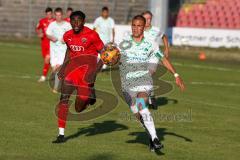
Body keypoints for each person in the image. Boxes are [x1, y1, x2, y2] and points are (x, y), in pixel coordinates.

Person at [117, 15, 185, 152]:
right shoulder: (123, 43)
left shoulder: (150, 44)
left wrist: (176, 74)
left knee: (142, 106)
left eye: (139, 26)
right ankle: (150, 135)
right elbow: (111, 56)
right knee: (138, 115)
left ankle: (155, 139)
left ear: (144, 27)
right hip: (127, 85)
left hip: (144, 81)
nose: (136, 28)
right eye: (133, 25)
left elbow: (163, 59)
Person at [52, 11, 104, 143]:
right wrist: (63, 67)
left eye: (79, 20)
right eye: (73, 20)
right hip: (72, 71)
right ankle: (61, 134)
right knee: (63, 99)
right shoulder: (67, 35)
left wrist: (95, 72)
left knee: (78, 108)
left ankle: (90, 96)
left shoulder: (92, 35)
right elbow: (69, 50)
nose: (76, 23)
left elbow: (104, 55)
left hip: (87, 74)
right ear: (69, 21)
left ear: (84, 21)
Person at [142, 10, 170, 109]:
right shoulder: (139, 30)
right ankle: (151, 96)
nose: (148, 21)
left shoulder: (156, 30)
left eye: (150, 19)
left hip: (155, 56)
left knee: (148, 75)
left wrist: (166, 49)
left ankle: (148, 100)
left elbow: (164, 37)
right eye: (146, 19)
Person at [46, 7, 71, 93]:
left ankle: (56, 88)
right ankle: (59, 85)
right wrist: (51, 37)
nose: (58, 17)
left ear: (62, 15)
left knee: (59, 69)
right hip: (54, 51)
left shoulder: (67, 25)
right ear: (54, 15)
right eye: (56, 15)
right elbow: (48, 34)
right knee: (54, 70)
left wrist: (65, 39)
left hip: (63, 51)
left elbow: (71, 35)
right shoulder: (52, 25)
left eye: (59, 15)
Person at [36, 7, 54, 82]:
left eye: (50, 14)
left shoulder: (54, 22)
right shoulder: (42, 21)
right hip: (44, 44)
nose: (49, 15)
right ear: (46, 14)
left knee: (47, 59)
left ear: (52, 14)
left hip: (52, 44)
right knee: (48, 61)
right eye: (47, 14)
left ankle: (43, 76)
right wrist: (39, 33)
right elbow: (37, 28)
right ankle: (57, 74)